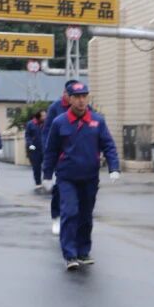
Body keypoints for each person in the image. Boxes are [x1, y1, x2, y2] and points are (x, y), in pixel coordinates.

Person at [41, 82, 121, 271]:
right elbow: (51, 150)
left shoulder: (97, 121)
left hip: (90, 177)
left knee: (86, 215)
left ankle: (83, 251)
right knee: (70, 212)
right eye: (77, 97)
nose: (81, 100)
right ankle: (70, 254)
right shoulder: (59, 122)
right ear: (69, 99)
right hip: (67, 177)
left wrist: (114, 167)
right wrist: (47, 175)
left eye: (84, 96)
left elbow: (108, 145)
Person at [44, 80, 81, 234]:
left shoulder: (85, 108)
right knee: (60, 190)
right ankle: (56, 217)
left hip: (80, 157)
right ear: (65, 93)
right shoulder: (55, 108)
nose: (78, 99)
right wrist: (48, 157)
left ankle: (77, 221)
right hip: (61, 157)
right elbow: (47, 133)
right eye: (73, 94)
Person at [24, 109, 46, 191]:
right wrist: (30, 144)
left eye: (45, 115)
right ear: (38, 116)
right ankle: (38, 183)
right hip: (34, 149)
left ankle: (46, 181)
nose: (45, 117)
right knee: (36, 167)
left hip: (44, 148)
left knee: (46, 166)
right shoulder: (30, 124)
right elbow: (27, 135)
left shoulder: (46, 124)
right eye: (43, 115)